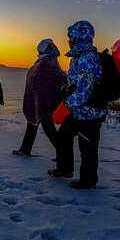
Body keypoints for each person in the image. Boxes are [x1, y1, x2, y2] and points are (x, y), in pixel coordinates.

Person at [48, 21, 108, 189]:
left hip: (90, 113)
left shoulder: (88, 58)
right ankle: (64, 169)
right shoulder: (79, 57)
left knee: (88, 148)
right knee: (63, 137)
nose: (68, 40)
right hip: (79, 111)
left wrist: (65, 107)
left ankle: (88, 181)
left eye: (70, 37)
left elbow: (84, 91)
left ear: (77, 37)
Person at [12, 39, 67, 156]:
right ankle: (25, 149)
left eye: (39, 50)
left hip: (45, 103)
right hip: (41, 101)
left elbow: (58, 79)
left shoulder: (47, 63)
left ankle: (63, 155)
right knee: (33, 124)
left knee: (48, 128)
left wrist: (42, 98)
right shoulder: (49, 61)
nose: (38, 52)